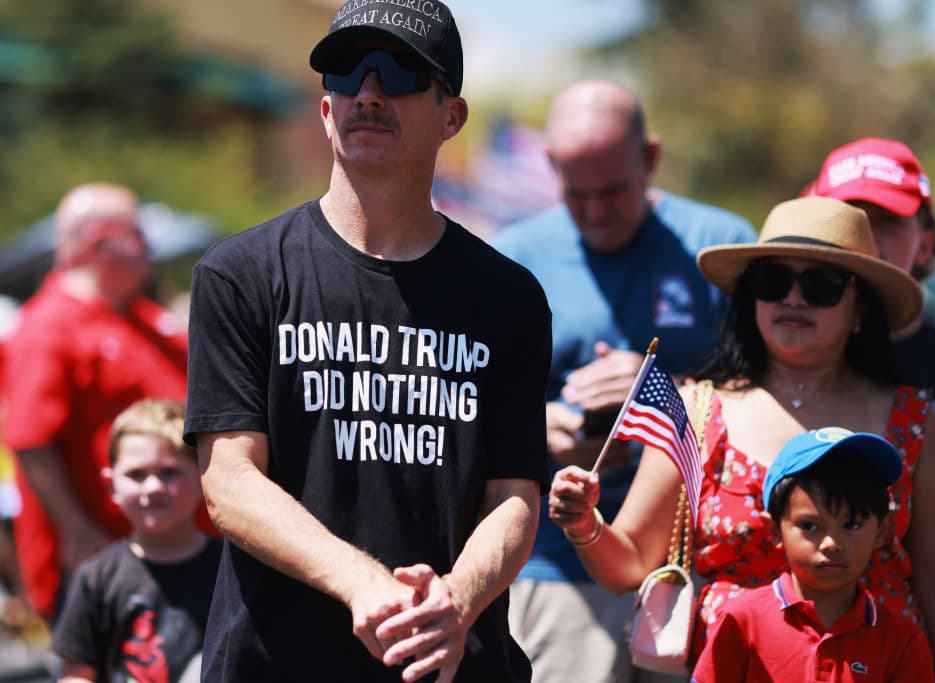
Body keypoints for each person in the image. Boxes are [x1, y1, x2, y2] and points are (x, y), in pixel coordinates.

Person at [184, 3, 551, 682]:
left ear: (453, 117)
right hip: (278, 663)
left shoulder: (509, 296)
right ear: (326, 110)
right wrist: (365, 585)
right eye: (347, 71)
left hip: (449, 664)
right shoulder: (241, 274)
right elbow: (229, 481)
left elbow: (515, 494)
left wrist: (457, 600)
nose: (370, 92)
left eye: (402, 72)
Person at [549, 196, 935, 682]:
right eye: (772, 281)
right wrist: (585, 523)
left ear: (860, 305)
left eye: (820, 284)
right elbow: (628, 566)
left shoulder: (913, 420)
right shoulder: (696, 409)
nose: (792, 299)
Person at [491, 79, 755, 683]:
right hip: (556, 566)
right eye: (575, 192)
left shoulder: (722, 248)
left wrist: (660, 385)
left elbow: (777, 395)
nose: (595, 211)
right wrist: (535, 430)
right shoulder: (508, 258)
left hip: (701, 566)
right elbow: (466, 403)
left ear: (651, 159)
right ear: (551, 165)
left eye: (613, 189)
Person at [806, 138, 935, 603]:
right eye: (847, 217)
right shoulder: (784, 349)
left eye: (884, 221)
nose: (865, 236)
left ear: (925, 244)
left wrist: (928, 616)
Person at [0, 182, 205, 621]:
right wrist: (78, 533)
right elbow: (30, 440)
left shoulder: (139, 315)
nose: (150, 250)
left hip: (174, 556)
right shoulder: (48, 327)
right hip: (106, 568)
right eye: (139, 236)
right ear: (99, 242)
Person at [691, 427, 935, 682]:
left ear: (881, 531)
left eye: (851, 525)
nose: (831, 543)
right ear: (774, 530)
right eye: (810, 526)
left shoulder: (901, 639)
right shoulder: (741, 620)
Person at [51, 399, 218, 683]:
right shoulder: (97, 579)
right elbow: (75, 675)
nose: (152, 488)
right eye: (136, 475)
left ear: (204, 476)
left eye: (169, 472)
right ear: (110, 485)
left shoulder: (231, 569)